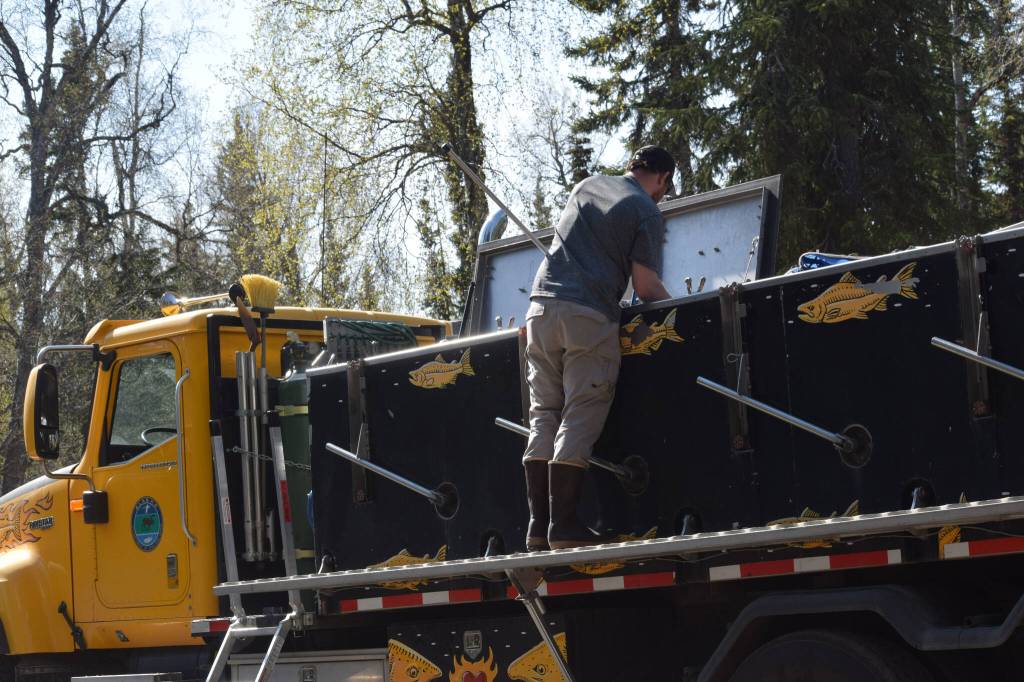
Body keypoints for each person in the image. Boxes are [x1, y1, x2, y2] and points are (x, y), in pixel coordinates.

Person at [523, 145, 675, 551]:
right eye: (665, 187)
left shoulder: (586, 186)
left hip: (539, 309)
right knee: (580, 411)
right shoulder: (645, 209)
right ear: (662, 179)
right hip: (587, 315)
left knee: (544, 414)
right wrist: (679, 310)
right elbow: (645, 288)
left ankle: (538, 527)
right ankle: (564, 526)